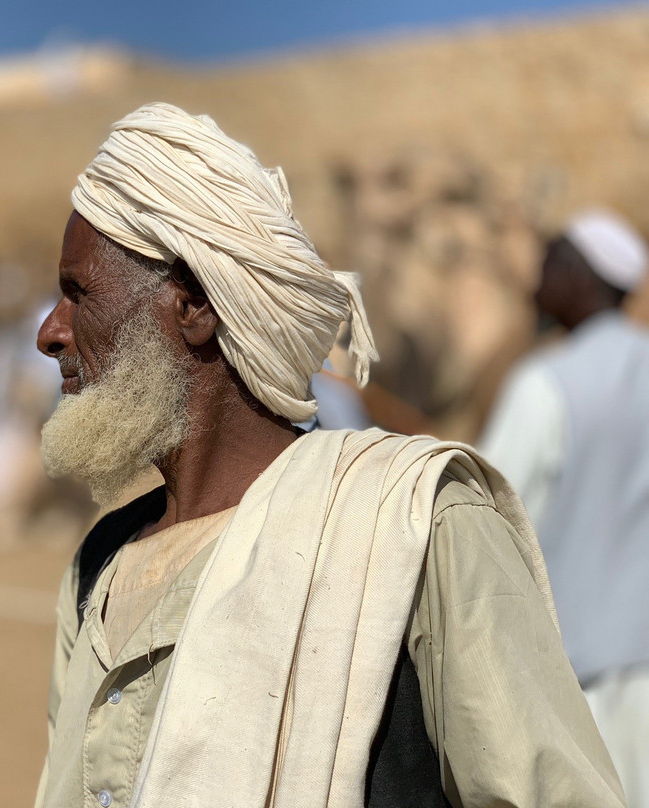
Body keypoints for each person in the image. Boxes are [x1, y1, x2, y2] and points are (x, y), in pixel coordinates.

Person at [32, 103, 623, 808]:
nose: (50, 332)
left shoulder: (415, 527)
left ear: (193, 306)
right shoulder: (97, 569)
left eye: (78, 295)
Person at [478, 208, 649, 807]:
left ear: (582, 276)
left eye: (549, 266)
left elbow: (481, 516)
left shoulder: (546, 385)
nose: (535, 283)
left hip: (575, 690)